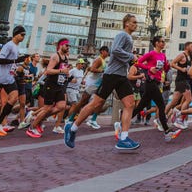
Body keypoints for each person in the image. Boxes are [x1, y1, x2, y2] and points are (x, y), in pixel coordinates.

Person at [65, 13, 140, 151]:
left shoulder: (129, 37)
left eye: (136, 22)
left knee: (130, 104)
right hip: (111, 75)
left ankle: (123, 138)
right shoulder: (122, 35)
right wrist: (131, 56)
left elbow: (121, 55)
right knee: (96, 104)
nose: (136, 24)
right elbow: (115, 50)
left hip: (121, 76)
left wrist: (131, 60)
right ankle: (72, 127)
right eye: (134, 22)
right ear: (127, 23)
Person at [133, 36, 180, 141]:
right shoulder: (151, 54)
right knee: (161, 105)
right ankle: (167, 131)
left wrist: (167, 66)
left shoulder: (163, 55)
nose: (164, 43)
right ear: (156, 43)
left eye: (164, 42)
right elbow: (138, 63)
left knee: (141, 106)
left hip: (157, 83)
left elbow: (166, 68)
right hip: (151, 82)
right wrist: (150, 68)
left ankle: (123, 122)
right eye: (162, 42)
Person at [26, 38, 72, 138]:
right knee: (47, 108)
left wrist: (66, 74)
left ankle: (38, 119)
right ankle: (32, 127)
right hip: (51, 85)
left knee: (61, 106)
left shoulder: (65, 57)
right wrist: (61, 71)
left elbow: (62, 70)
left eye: (69, 46)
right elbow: (48, 71)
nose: (68, 47)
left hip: (59, 86)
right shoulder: (56, 56)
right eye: (66, 45)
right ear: (61, 45)